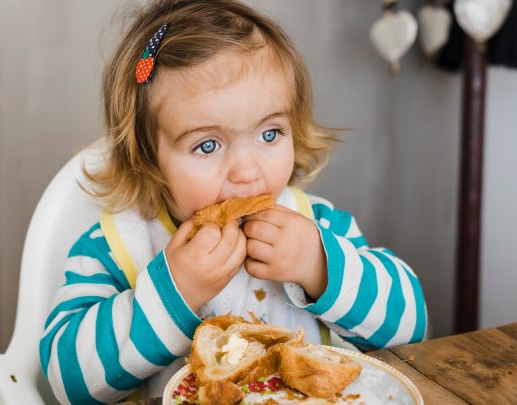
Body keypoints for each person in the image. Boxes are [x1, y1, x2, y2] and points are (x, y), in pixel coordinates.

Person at [39, 0, 427, 403]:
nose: (247, 171)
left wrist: (320, 267)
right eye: (207, 144)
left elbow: (412, 327)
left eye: (270, 134)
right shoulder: (113, 248)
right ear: (149, 159)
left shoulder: (318, 225)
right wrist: (176, 293)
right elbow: (67, 384)